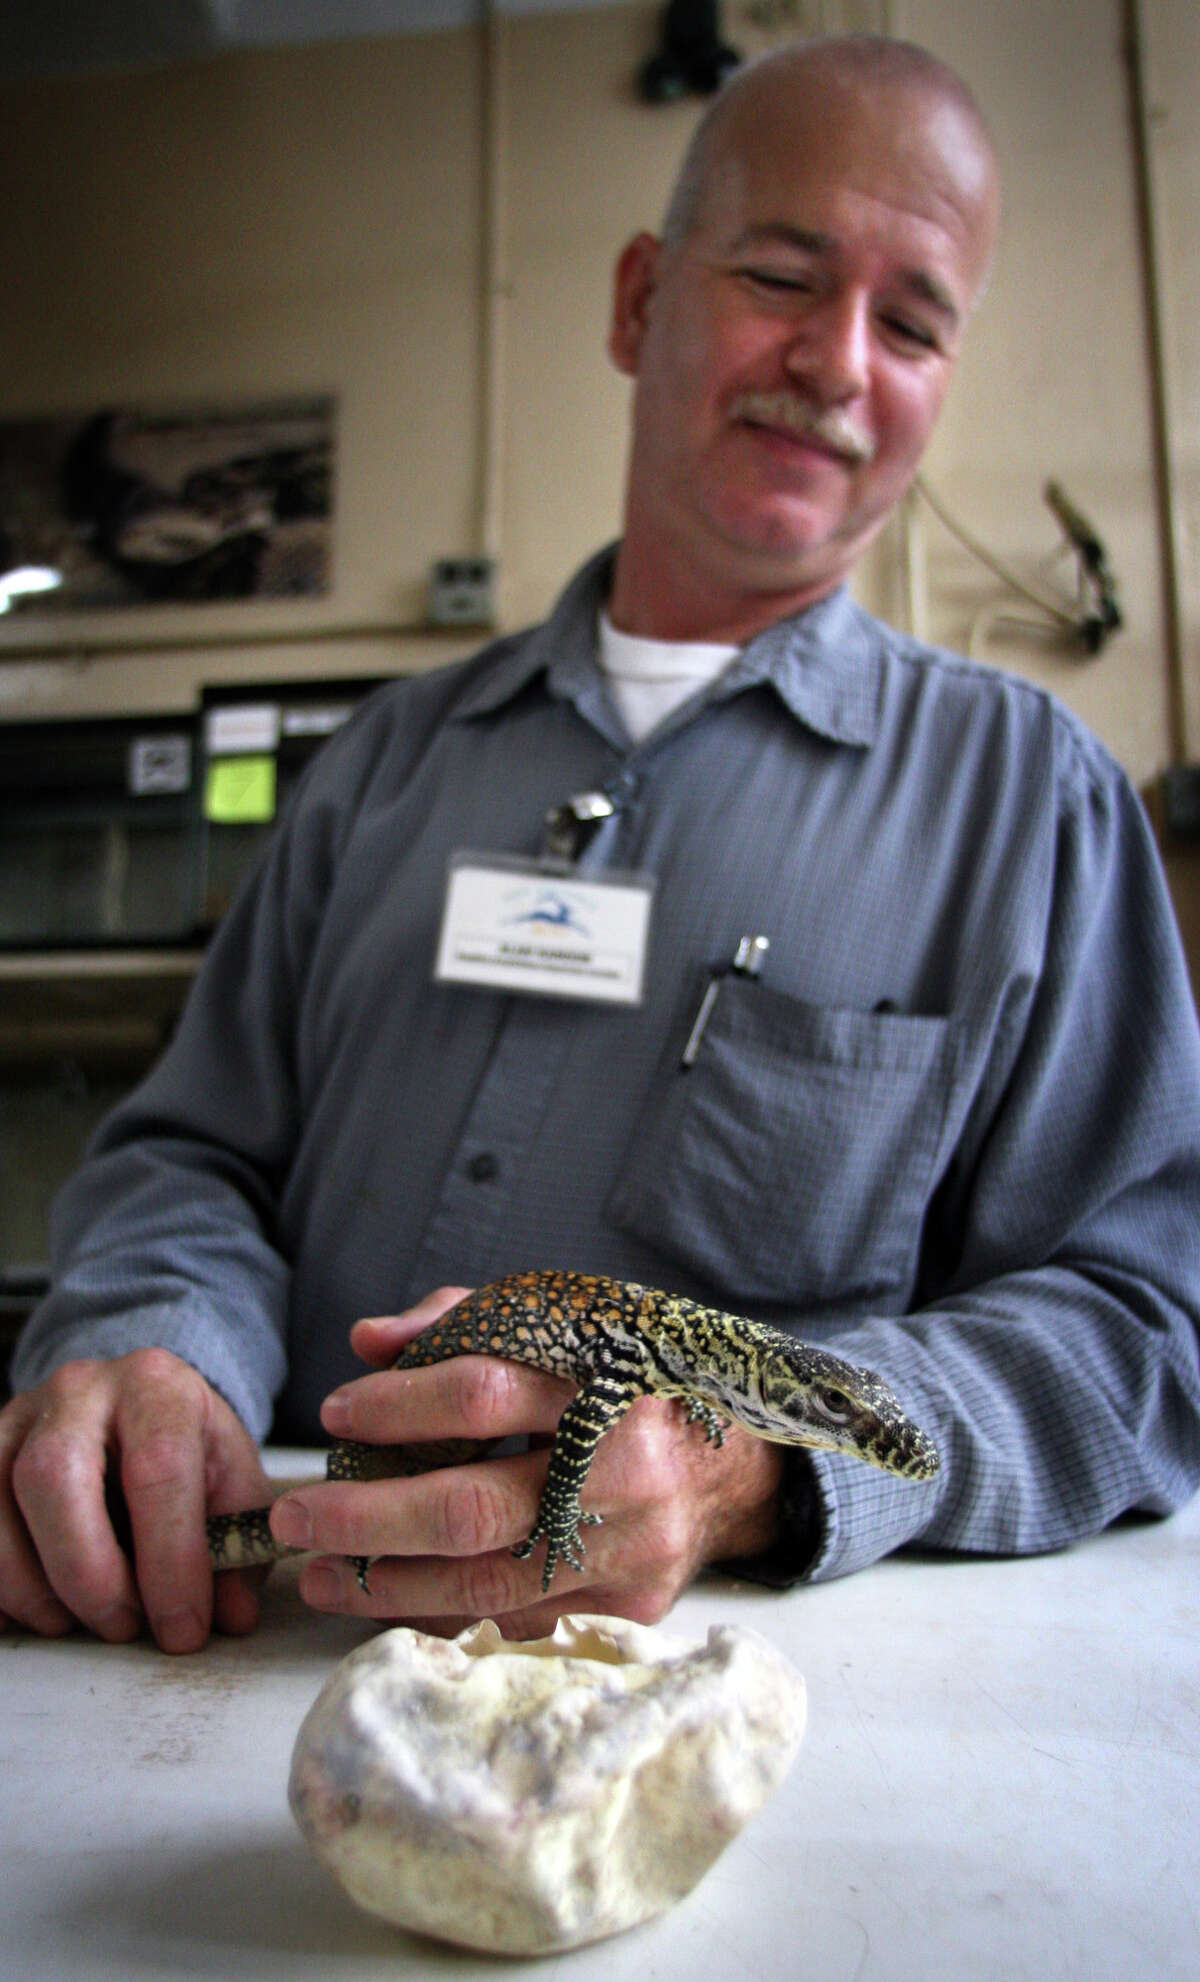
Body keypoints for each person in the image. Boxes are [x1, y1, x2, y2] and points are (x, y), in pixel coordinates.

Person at [4, 36, 1199, 1655]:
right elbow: (189, 1152)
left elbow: (1141, 1326)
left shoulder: (1039, 805)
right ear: (640, 301)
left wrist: (757, 1458)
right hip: (240, 1637)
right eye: (784, 276)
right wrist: (154, 1344)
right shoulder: (383, 766)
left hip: (743, 1710)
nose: (841, 361)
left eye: (912, 323)